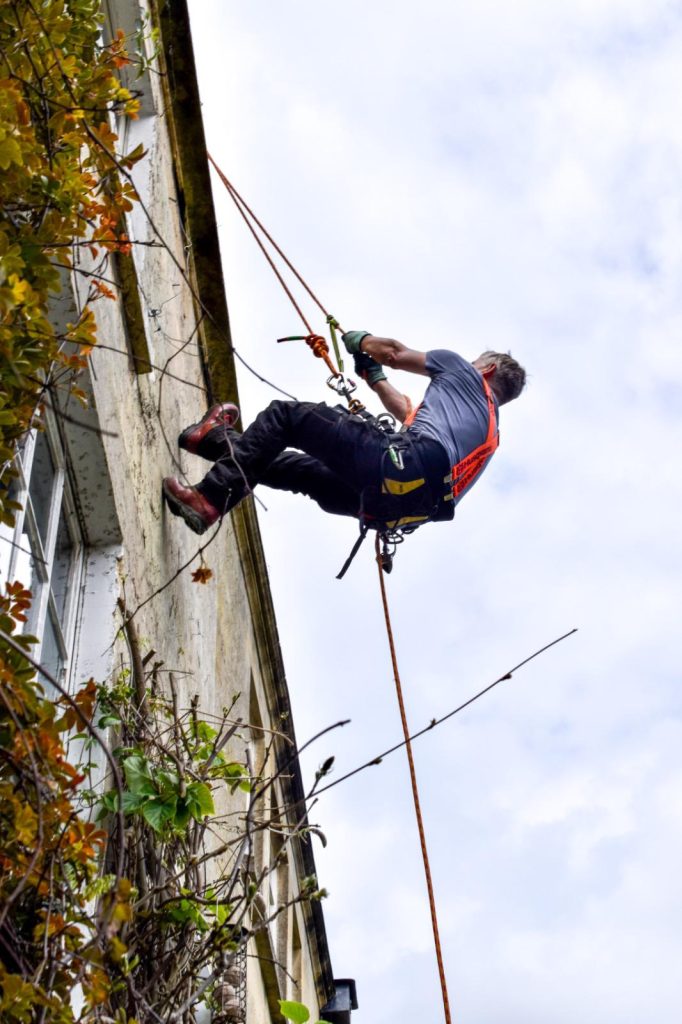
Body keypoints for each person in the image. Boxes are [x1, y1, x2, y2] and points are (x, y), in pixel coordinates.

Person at [162, 331, 526, 536]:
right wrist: (373, 376)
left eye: (476, 362)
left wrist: (361, 341)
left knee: (288, 417)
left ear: (487, 368)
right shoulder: (483, 435)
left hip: (401, 464)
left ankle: (209, 497)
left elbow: (395, 353)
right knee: (296, 471)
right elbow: (406, 411)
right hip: (391, 506)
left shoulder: (462, 372)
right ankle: (210, 440)